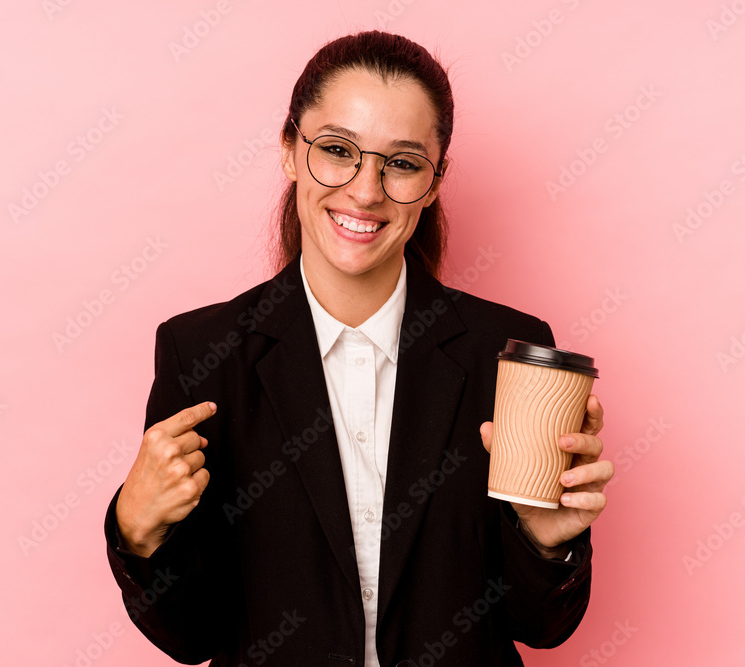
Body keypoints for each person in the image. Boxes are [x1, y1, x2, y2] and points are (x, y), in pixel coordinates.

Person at [104, 30, 612, 666]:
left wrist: (545, 544)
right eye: (338, 150)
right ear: (290, 150)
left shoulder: (507, 355)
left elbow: (539, 628)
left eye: (401, 162)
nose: (366, 191)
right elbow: (190, 635)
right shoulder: (201, 353)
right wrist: (137, 529)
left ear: (434, 180)